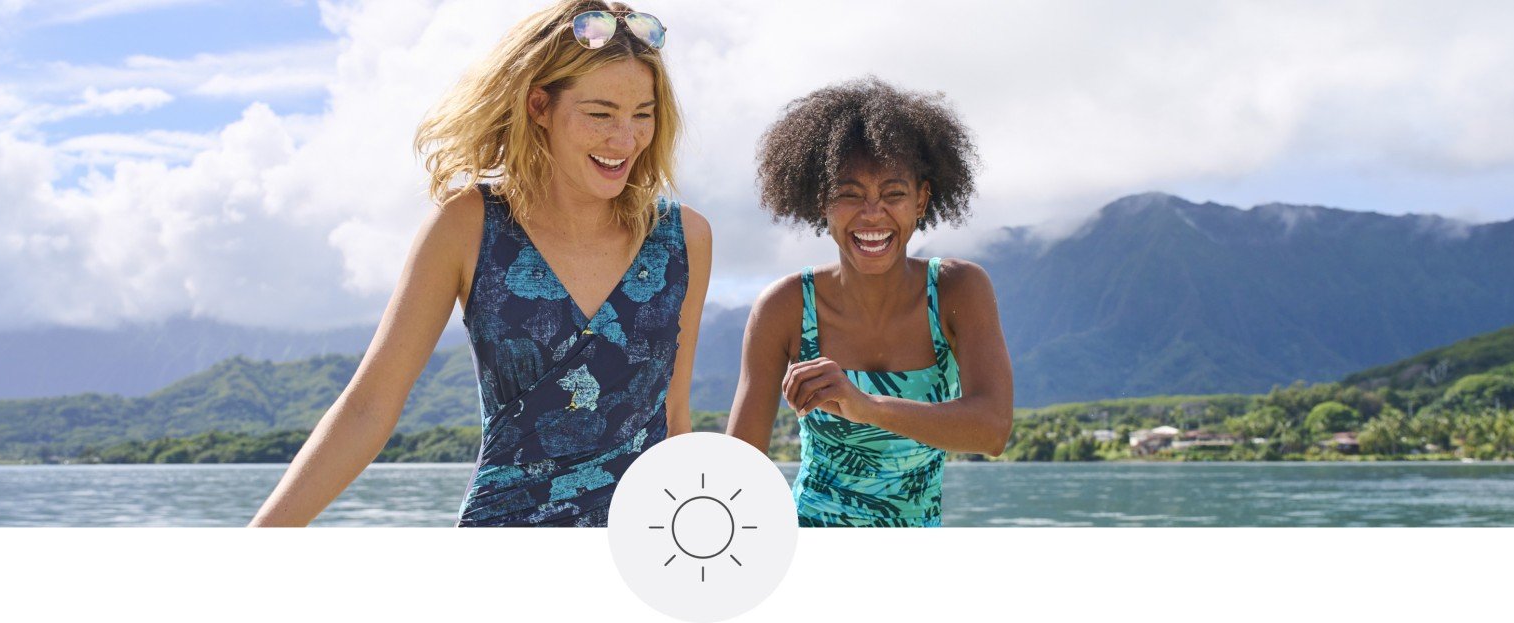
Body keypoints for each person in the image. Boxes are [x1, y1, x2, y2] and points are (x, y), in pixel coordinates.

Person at [250, 0, 711, 527]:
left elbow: (674, 420)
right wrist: (258, 548)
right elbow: (368, 408)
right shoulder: (467, 226)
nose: (625, 139)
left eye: (643, 115)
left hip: (641, 556)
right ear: (539, 105)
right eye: (601, 114)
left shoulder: (683, 238)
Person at [726, 77, 1011, 527]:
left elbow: (992, 430)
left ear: (922, 199)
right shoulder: (785, 307)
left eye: (893, 194)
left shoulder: (959, 290)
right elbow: (736, 472)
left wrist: (866, 407)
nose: (873, 214)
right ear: (821, 201)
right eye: (849, 194)